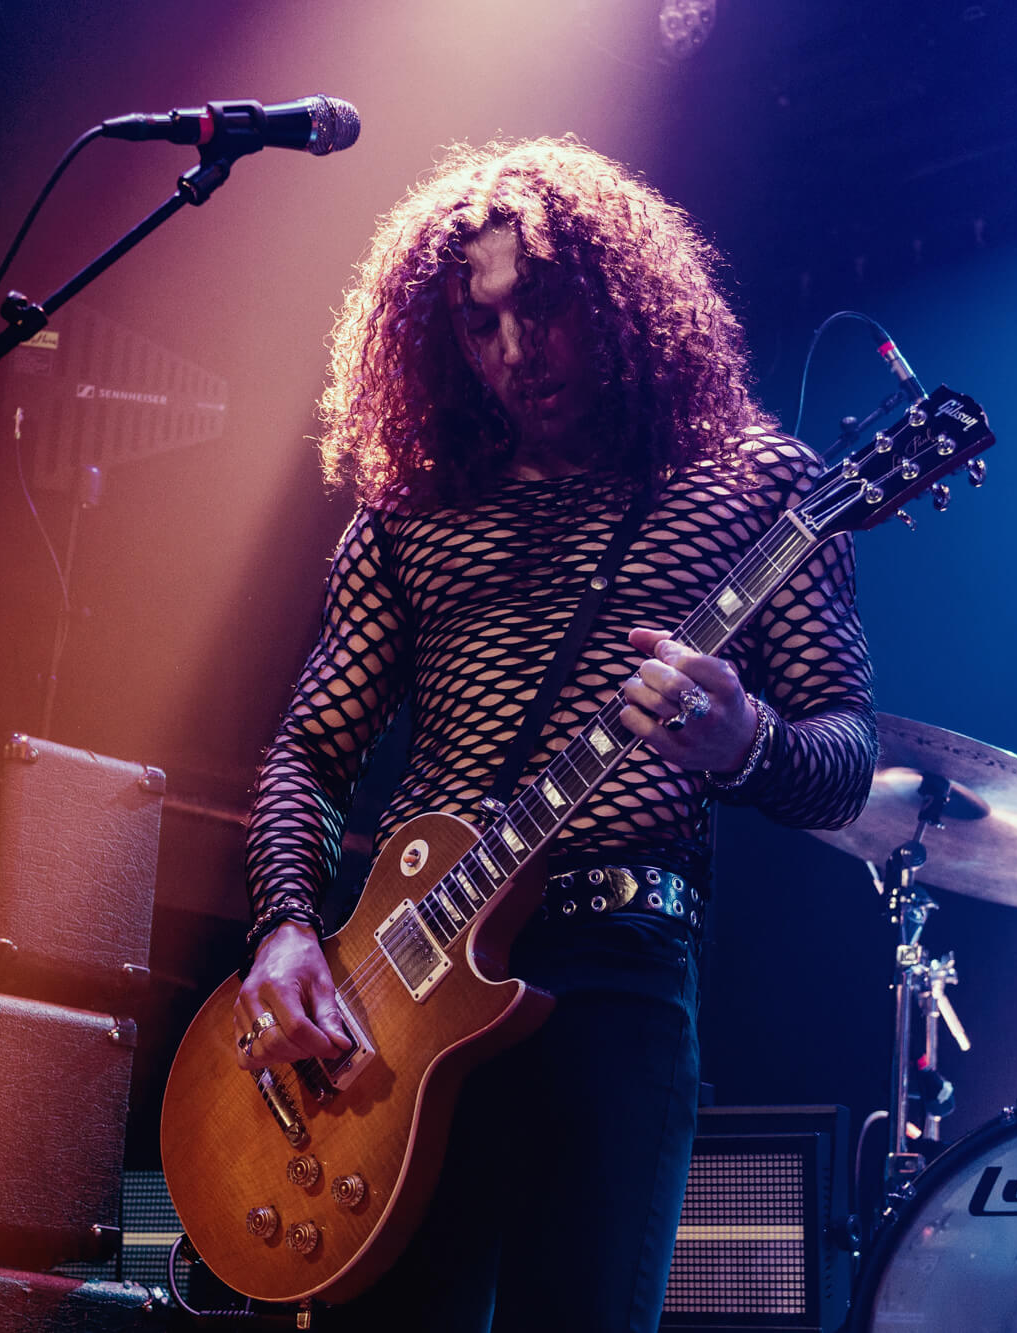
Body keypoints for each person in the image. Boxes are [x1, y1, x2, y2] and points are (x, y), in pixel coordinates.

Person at [229, 138, 877, 1331]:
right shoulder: (410, 510)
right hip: (403, 983)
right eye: (479, 328)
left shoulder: (754, 485)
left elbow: (845, 755)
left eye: (542, 309)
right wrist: (281, 930)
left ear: (618, 298)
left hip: (613, 972)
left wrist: (742, 743)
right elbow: (306, 752)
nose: (515, 355)